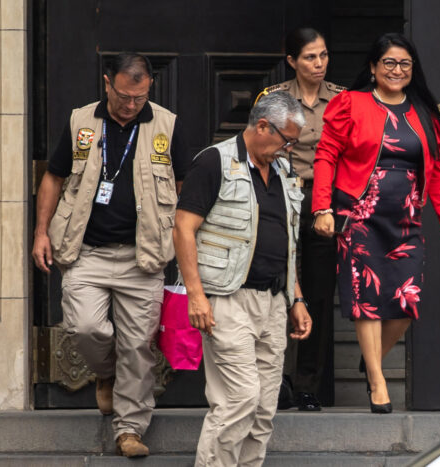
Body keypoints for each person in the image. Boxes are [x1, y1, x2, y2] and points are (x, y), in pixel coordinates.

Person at [31, 53, 189, 456]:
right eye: (123, 96)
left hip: (144, 256)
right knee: (85, 327)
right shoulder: (81, 121)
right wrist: (41, 232)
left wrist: (182, 243)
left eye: (139, 97)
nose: (131, 105)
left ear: (149, 88)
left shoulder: (166, 125)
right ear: (107, 84)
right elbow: (54, 177)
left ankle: (129, 430)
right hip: (87, 252)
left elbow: (184, 188)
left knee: (138, 346)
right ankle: (107, 372)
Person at [312, 33, 440, 413]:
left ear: (413, 69)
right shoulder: (351, 103)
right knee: (366, 298)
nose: (397, 70)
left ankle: (372, 361)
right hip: (359, 214)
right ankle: (378, 384)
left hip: (406, 219)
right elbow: (326, 155)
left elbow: (437, 171)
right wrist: (322, 208)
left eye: (404, 64)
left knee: (407, 301)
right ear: (373, 67)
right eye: (389, 63)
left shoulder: (423, 113)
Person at [173, 91, 313, 466]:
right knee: (239, 399)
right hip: (227, 299)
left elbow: (288, 243)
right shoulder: (213, 162)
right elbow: (183, 228)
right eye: (287, 140)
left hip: (274, 302)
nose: (288, 149)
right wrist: (196, 295)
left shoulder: (283, 172)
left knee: (264, 407)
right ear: (263, 126)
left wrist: (297, 298)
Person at [256, 27, 345, 411]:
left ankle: (309, 385)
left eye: (323, 55)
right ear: (292, 61)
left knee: (319, 292)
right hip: (282, 199)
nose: (319, 63)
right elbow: (259, 148)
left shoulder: (342, 99)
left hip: (325, 202)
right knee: (281, 290)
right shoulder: (273, 99)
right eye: (310, 57)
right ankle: (278, 381)